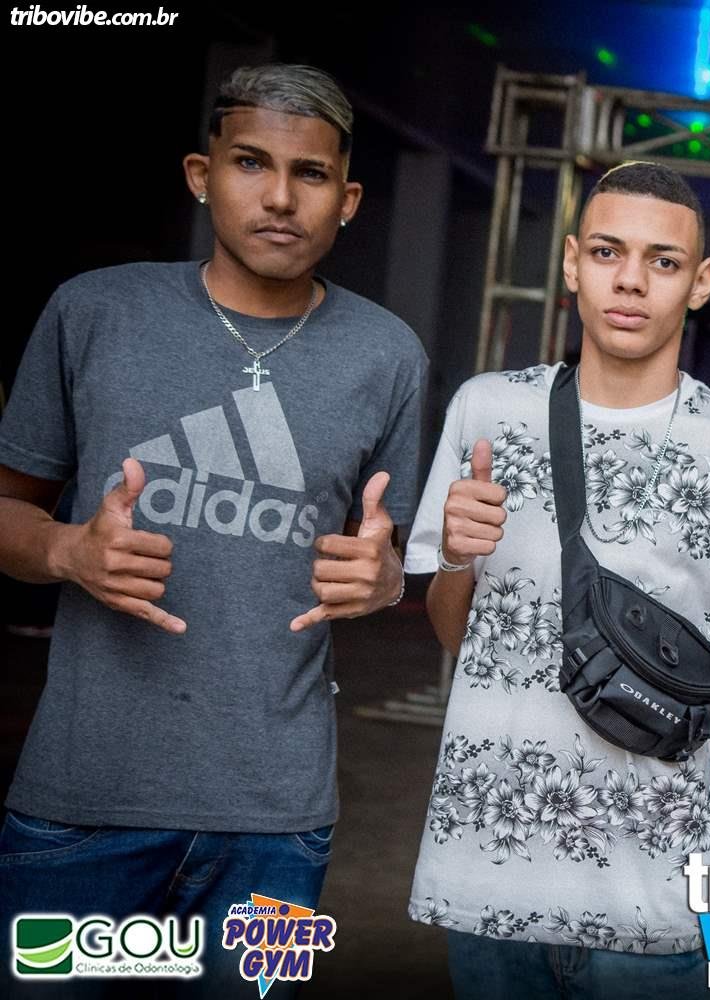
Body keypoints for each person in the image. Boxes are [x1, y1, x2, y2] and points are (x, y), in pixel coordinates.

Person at [0, 63, 427, 994]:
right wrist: (68, 549)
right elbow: (8, 512)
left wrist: (386, 581)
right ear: (202, 174)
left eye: (310, 174)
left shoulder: (388, 354)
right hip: (80, 810)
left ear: (348, 199)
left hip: (280, 829)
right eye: (250, 162)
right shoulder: (94, 311)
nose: (279, 197)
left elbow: (384, 555)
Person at [402, 160, 710, 1000]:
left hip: (656, 887)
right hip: (490, 871)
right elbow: (455, 636)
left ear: (701, 282)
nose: (631, 280)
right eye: (609, 252)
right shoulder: (486, 412)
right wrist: (459, 560)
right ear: (572, 262)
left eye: (663, 261)